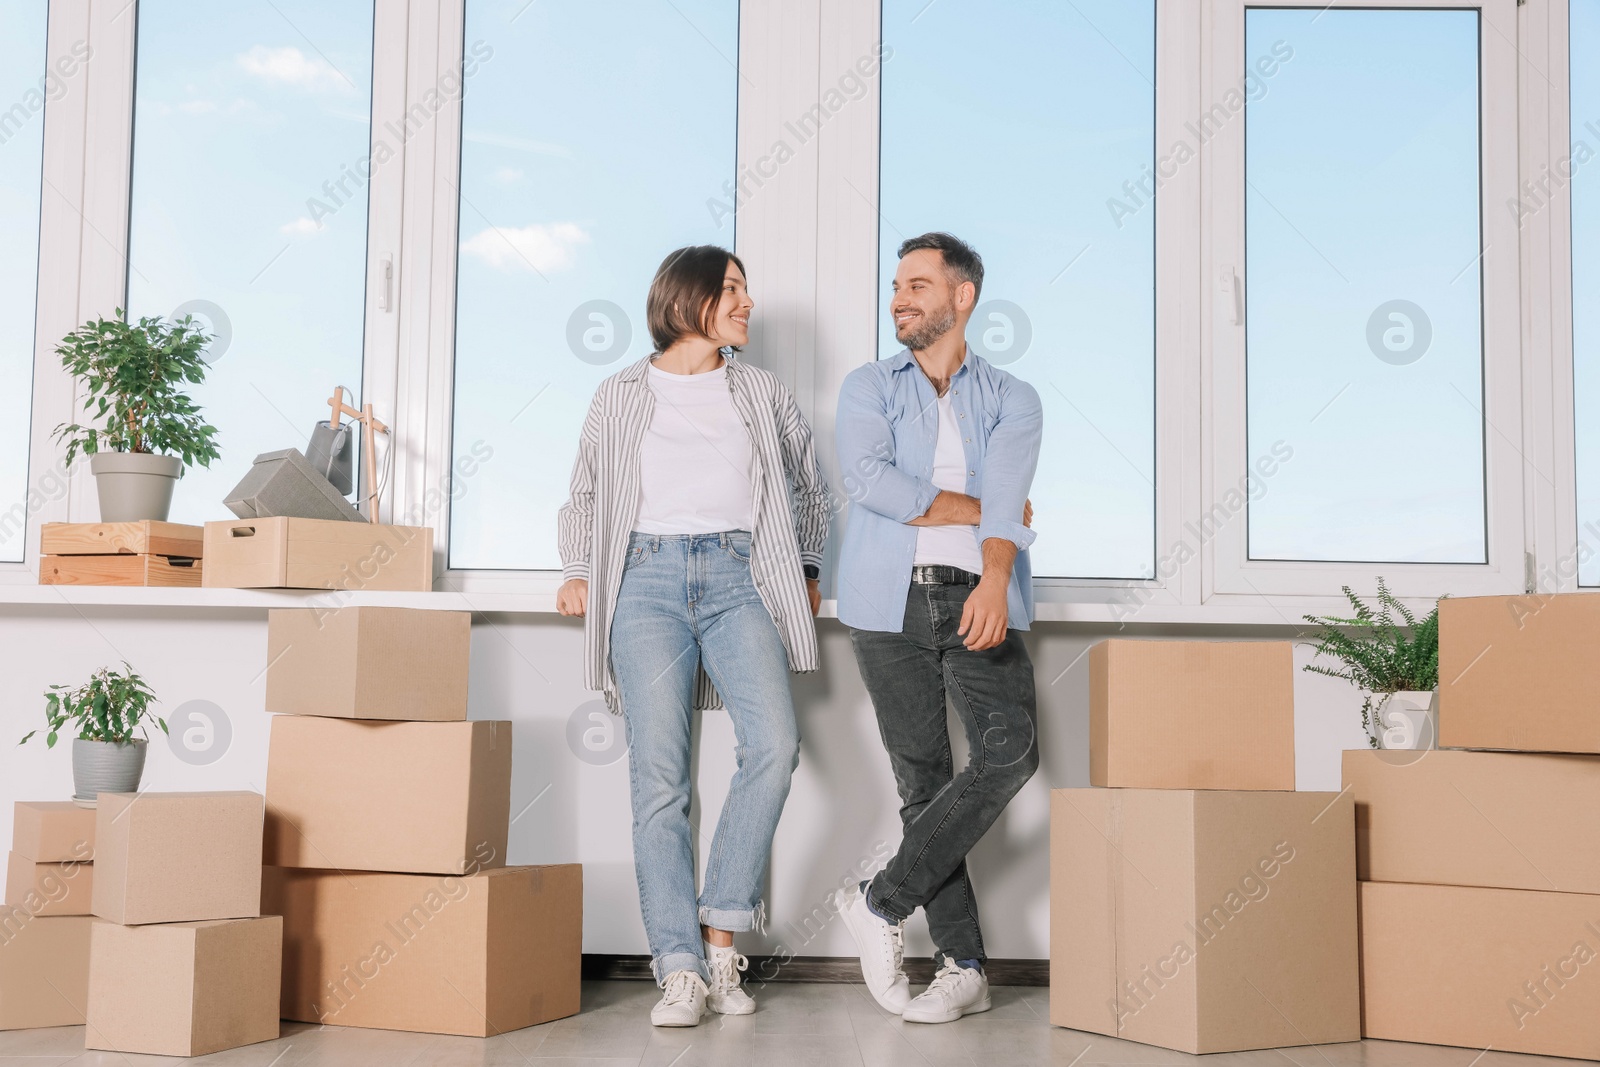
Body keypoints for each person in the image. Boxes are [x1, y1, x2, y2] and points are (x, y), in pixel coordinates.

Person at [556, 245, 829, 1027]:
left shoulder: (761, 391)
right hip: (642, 580)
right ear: (688, 300)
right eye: (733, 289)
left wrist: (806, 565)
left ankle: (720, 939)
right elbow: (581, 491)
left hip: (739, 575)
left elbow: (808, 484)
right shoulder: (618, 394)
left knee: (774, 745)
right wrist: (579, 567)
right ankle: (677, 966)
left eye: (746, 289)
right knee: (660, 781)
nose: (747, 303)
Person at [832, 232, 1042, 1024]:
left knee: (1007, 755)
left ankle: (880, 902)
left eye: (918, 284)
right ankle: (964, 966)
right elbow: (870, 483)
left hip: (974, 594)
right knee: (923, 785)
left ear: (963, 297)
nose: (900, 298)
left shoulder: (1014, 398)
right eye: (896, 286)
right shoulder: (867, 387)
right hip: (885, 604)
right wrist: (987, 511)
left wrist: (993, 574)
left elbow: (1012, 490)